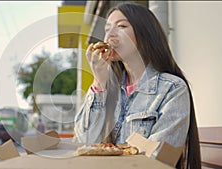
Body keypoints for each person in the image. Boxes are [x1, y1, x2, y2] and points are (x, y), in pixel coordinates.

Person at [73, 2, 201, 169]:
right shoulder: (109, 89)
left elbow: (160, 158)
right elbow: (83, 141)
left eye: (121, 26)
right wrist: (98, 84)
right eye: (107, 29)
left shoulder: (172, 89)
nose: (109, 36)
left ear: (144, 34)